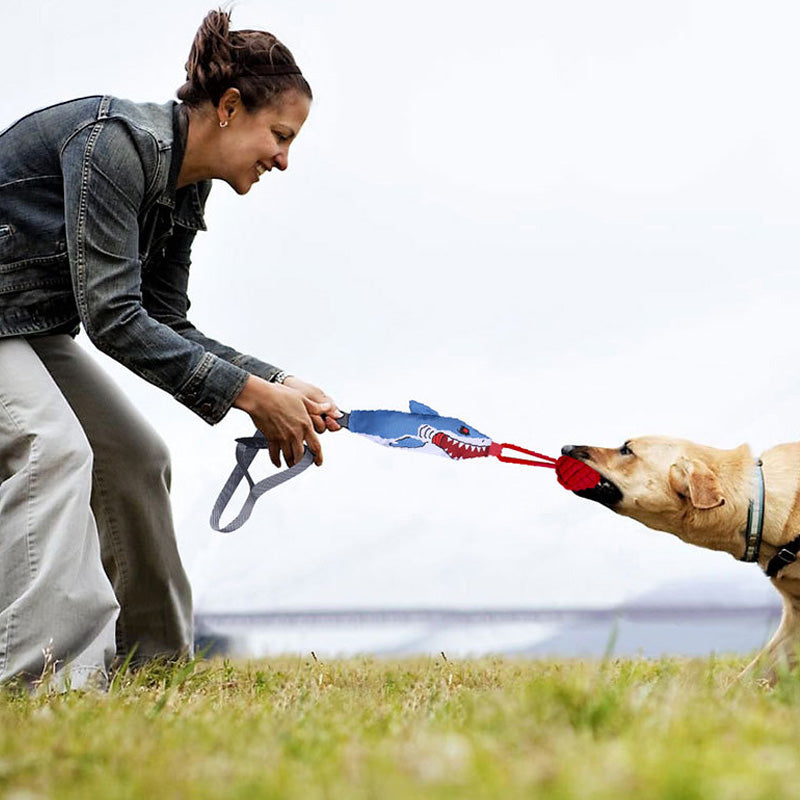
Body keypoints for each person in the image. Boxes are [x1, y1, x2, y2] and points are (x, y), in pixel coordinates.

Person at [0, 8, 341, 689]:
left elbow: (163, 320)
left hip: (25, 325)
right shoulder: (115, 144)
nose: (284, 159)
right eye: (280, 136)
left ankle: (153, 670)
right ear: (230, 108)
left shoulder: (185, 190)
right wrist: (251, 397)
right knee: (51, 448)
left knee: (136, 458)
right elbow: (112, 318)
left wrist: (276, 382)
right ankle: (41, 682)